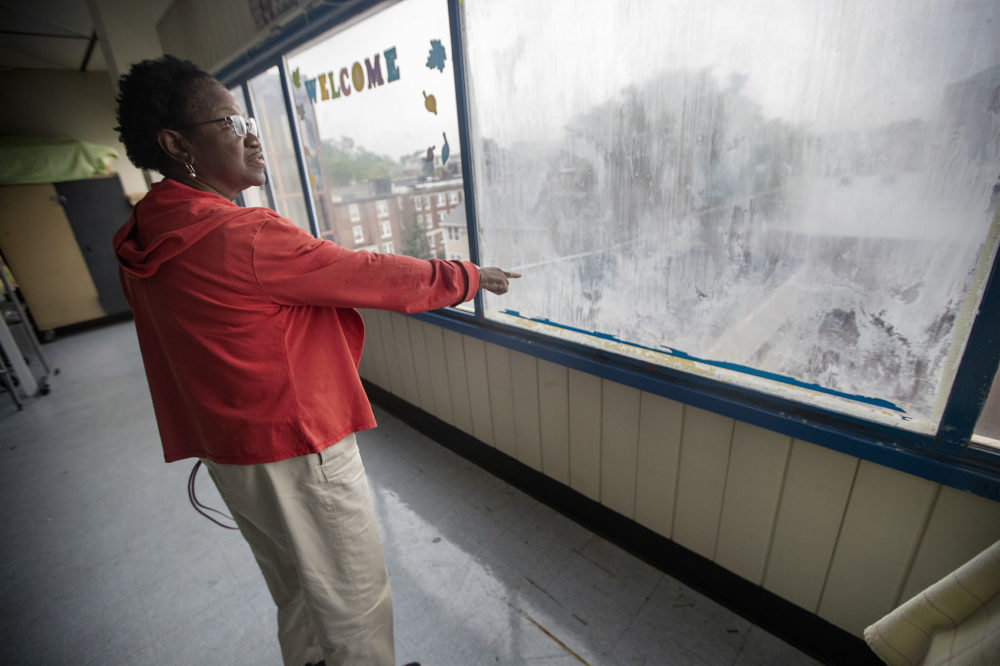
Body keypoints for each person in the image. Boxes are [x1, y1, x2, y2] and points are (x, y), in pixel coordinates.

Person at [112, 55, 519, 666]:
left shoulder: (142, 234)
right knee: (352, 599)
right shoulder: (241, 236)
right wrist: (465, 276)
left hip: (230, 449)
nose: (251, 134)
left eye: (246, 117)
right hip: (298, 446)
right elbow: (366, 274)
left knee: (298, 591)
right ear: (176, 144)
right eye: (230, 121)